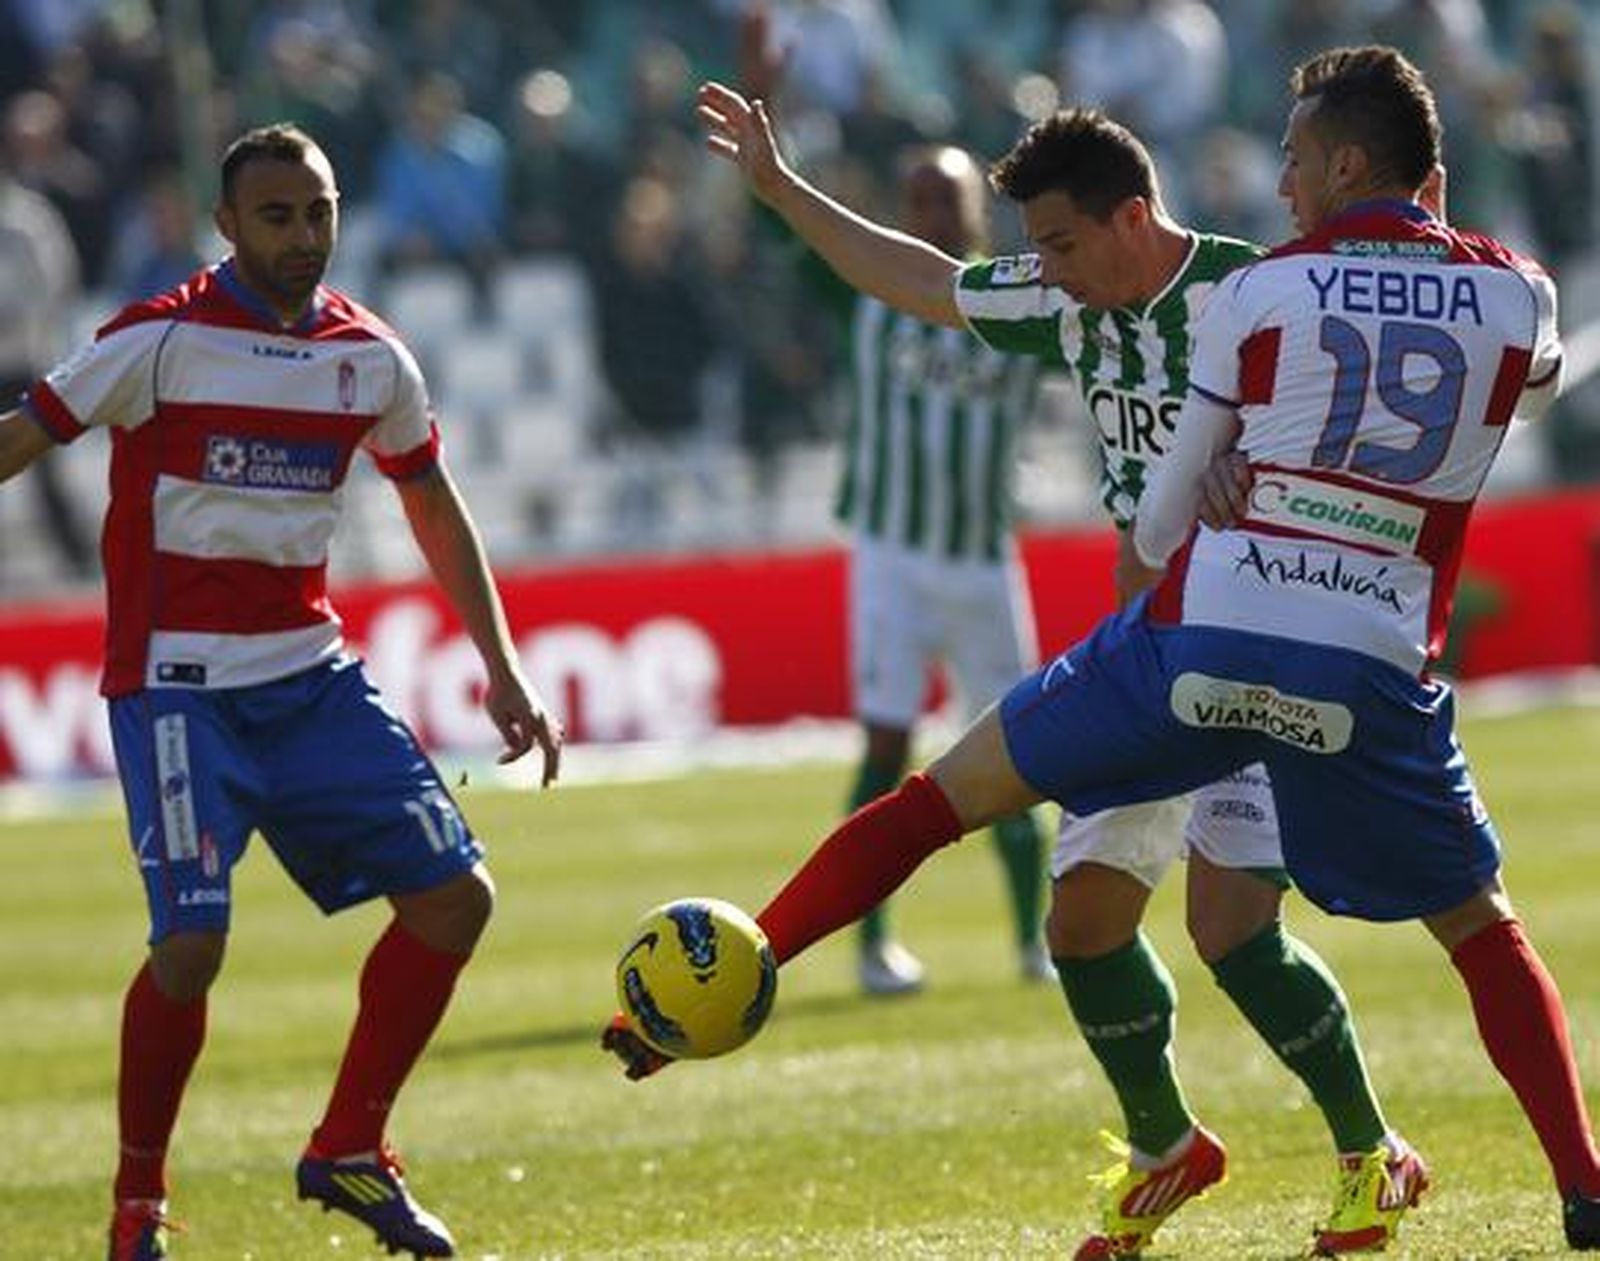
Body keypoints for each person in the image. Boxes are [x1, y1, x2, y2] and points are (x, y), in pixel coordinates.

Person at [611, 45, 1600, 1255]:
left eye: (1065, 246)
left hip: (1222, 619)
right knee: (1080, 925)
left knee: (1230, 932)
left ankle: (1369, 1154)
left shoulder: (1249, 287)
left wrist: (1252, 481)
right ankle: (1170, 1144)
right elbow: (922, 281)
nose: (1049, 272)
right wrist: (781, 190)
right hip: (1192, 628)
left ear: (1134, 219)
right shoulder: (1064, 296)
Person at [0, 123, 563, 1261]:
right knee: (192, 946)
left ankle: (349, 1148)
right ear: (226, 227)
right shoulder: (156, 343)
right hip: (175, 691)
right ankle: (138, 1204)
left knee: (456, 897)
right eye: (276, 217)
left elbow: (433, 506)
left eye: (318, 214)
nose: (303, 237)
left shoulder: (370, 359)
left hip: (308, 680)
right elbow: (23, 435)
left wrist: (500, 666)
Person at [738, 14, 1049, 995]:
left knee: (1019, 752)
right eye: (913, 196)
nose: (924, 211)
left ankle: (1036, 939)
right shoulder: (862, 293)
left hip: (980, 555)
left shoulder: (1018, 305)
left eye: (942, 196)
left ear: (975, 212)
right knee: (884, 742)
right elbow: (774, 229)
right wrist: (768, 124)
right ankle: (871, 944)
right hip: (889, 552)